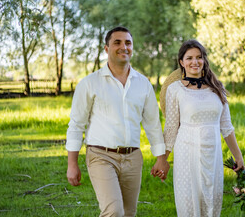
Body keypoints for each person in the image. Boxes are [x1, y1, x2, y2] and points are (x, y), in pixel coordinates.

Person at [66, 26, 170, 217]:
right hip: (101, 156)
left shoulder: (143, 84)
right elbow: (76, 125)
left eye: (128, 43)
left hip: (133, 158)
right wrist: (72, 163)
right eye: (117, 42)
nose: (124, 47)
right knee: (113, 212)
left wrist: (161, 158)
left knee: (128, 213)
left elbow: (153, 124)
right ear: (106, 49)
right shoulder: (90, 83)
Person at [162, 40, 244, 217]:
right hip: (187, 154)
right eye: (189, 58)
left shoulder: (217, 88)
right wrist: (163, 159)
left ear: (204, 60)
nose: (195, 62)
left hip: (212, 155)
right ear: (182, 62)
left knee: (212, 204)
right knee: (189, 204)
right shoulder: (175, 89)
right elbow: (170, 128)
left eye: (199, 57)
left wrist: (238, 156)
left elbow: (226, 127)